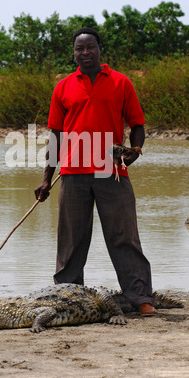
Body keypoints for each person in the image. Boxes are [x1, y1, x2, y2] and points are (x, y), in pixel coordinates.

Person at [34, 27, 157, 316]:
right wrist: (45, 180)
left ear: (100, 49)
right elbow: (55, 136)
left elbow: (137, 125)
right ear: (74, 53)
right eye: (79, 49)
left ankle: (141, 298)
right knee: (71, 239)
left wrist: (135, 152)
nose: (85, 53)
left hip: (111, 170)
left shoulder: (121, 83)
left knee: (124, 236)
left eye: (90, 47)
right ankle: (67, 295)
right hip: (73, 172)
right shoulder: (63, 87)